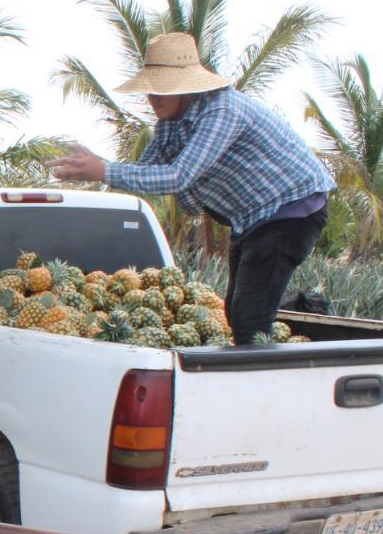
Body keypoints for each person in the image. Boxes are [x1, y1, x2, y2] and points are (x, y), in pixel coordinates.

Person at [48, 32, 335, 346]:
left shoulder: (221, 111)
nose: (153, 99)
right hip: (253, 219)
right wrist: (98, 168)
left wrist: (103, 171)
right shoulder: (170, 123)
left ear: (186, 87)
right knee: (238, 314)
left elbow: (178, 176)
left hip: (291, 210)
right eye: (150, 91)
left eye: (162, 90)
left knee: (249, 320)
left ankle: (261, 388)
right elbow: (146, 172)